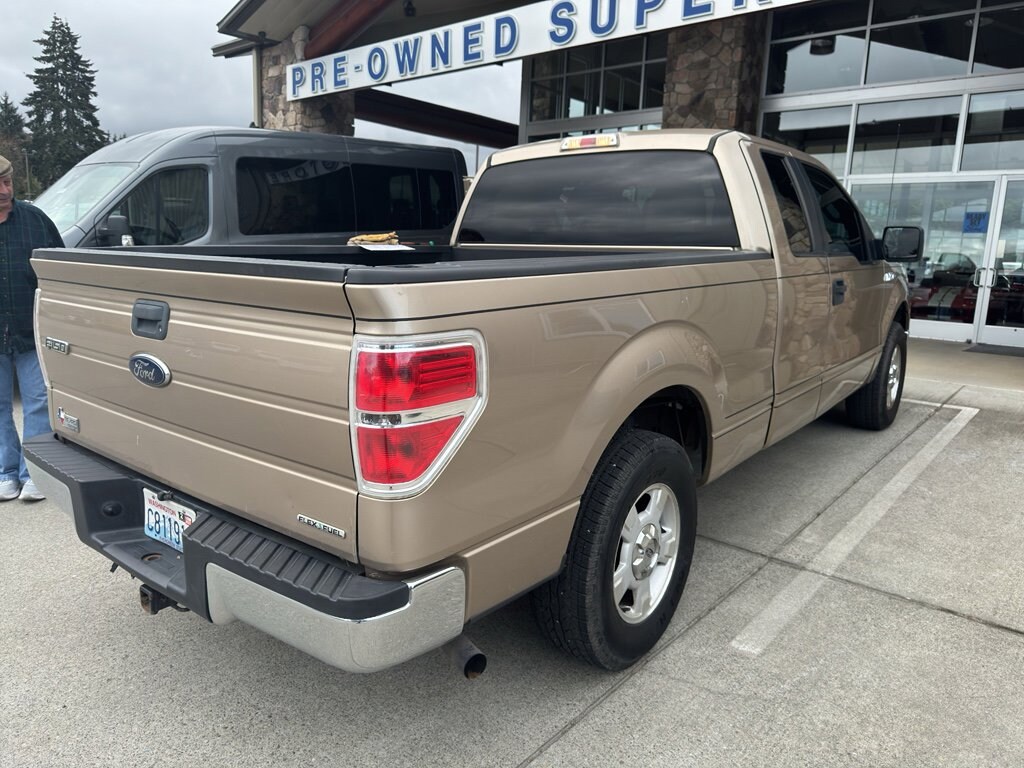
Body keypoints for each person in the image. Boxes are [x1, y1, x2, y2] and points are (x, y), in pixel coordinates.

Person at [0, 154, 61, 502]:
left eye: (8, 182)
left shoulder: (35, 220)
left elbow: (58, 268)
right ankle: (5, 473)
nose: (5, 190)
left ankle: (33, 472)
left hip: (31, 329)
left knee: (38, 401)